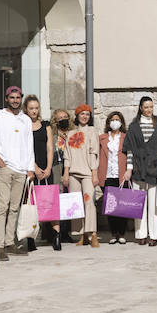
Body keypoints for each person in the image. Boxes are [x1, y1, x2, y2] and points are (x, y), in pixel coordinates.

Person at [0, 86, 33, 260]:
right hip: (5, 169)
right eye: (12, 97)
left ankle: (9, 242)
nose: (15, 100)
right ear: (7, 98)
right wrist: (0, 162)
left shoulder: (25, 120)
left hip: (21, 170)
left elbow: (29, 145)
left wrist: (29, 167)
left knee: (14, 208)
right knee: (2, 207)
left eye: (18, 97)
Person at [124, 96, 157, 246]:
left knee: (155, 204)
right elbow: (129, 150)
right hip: (138, 168)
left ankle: (154, 235)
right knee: (139, 203)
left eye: (151, 107)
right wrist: (129, 169)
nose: (149, 110)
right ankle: (141, 234)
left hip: (154, 168)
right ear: (141, 108)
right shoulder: (134, 126)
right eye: (146, 107)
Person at [63, 104, 101, 247]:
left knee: (89, 201)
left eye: (87, 114)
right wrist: (66, 174)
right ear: (77, 116)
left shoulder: (92, 131)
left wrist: (94, 173)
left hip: (87, 173)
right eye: (82, 114)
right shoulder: (71, 134)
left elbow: (94, 153)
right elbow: (67, 155)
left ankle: (93, 233)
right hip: (73, 173)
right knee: (75, 204)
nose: (85, 116)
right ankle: (82, 234)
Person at [97, 111, 130, 244]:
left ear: (121, 122)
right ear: (108, 122)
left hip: (122, 175)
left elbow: (130, 155)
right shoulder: (102, 138)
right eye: (112, 119)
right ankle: (113, 233)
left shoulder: (126, 137)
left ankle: (121, 233)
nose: (114, 121)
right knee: (111, 206)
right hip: (107, 174)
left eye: (117, 119)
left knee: (122, 206)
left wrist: (129, 170)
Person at [23, 94, 51, 252]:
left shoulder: (46, 125)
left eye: (36, 108)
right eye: (31, 108)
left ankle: (53, 235)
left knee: (48, 202)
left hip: (45, 168)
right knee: (30, 205)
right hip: (30, 169)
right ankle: (31, 239)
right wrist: (34, 167)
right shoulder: (23, 125)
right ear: (26, 109)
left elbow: (49, 148)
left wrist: (47, 168)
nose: (34, 111)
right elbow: (24, 149)